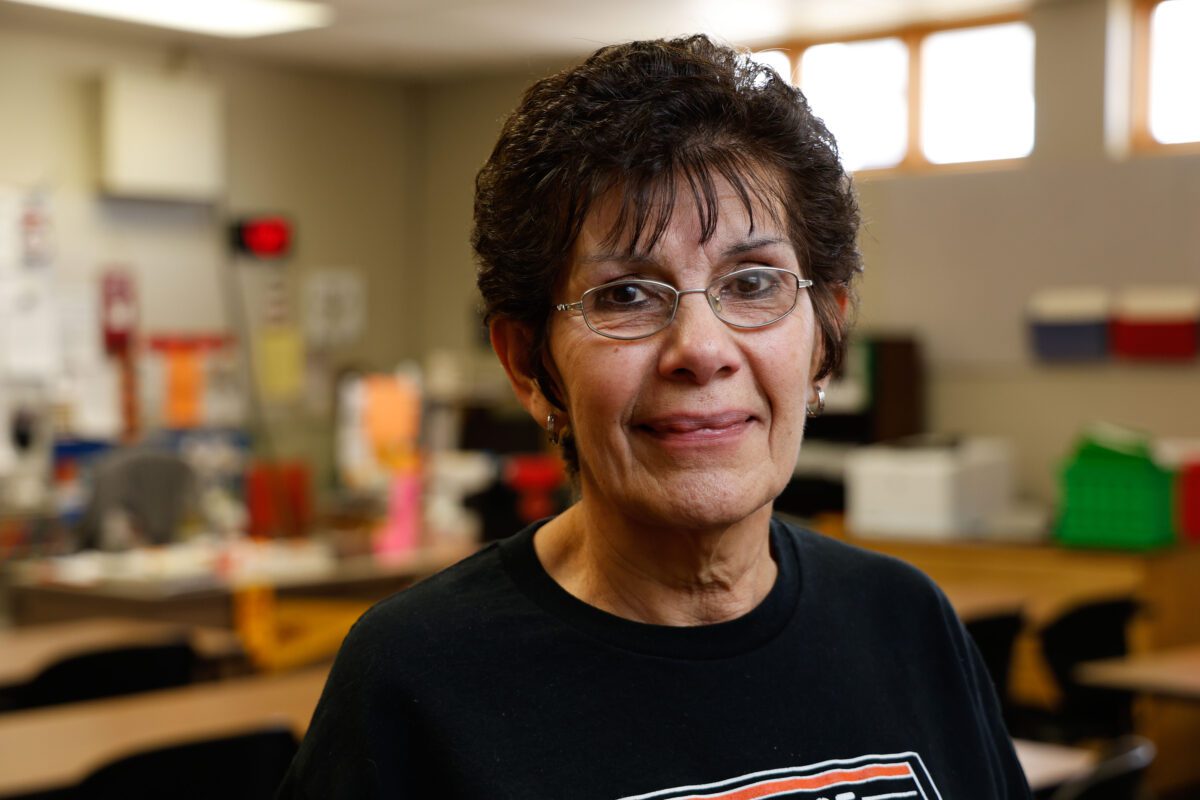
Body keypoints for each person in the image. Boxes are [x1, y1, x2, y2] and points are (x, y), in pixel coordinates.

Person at [278, 35, 1031, 799]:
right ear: (527, 365)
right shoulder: (416, 678)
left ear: (825, 339)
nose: (701, 350)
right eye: (626, 296)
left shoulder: (905, 623)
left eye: (753, 283)